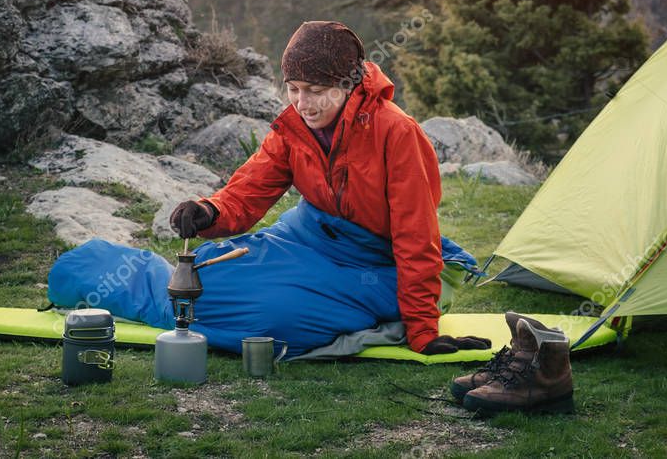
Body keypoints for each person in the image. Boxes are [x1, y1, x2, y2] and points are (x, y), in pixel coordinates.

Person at [170, 20, 488, 355]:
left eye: (316, 91)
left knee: (281, 317)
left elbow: (416, 236)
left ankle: (315, 302)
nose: (302, 104)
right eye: (293, 88)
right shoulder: (293, 128)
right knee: (201, 281)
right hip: (307, 240)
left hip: (373, 262)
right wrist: (209, 210)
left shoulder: (396, 133)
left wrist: (423, 330)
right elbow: (249, 190)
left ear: (347, 85)